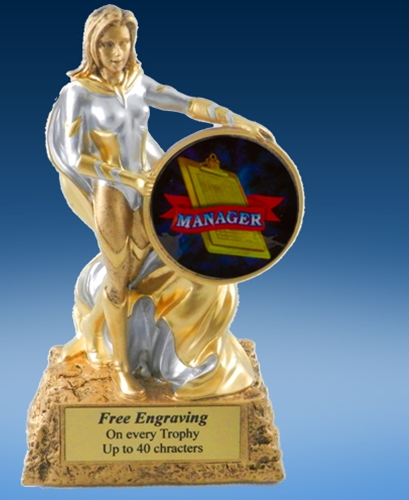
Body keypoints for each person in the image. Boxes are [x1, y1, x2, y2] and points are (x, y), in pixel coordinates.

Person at [46, 5, 271, 400]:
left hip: (154, 187)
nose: (116, 52)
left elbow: (185, 103)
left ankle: (111, 332)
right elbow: (73, 156)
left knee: (164, 261)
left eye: (123, 43)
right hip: (114, 192)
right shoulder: (78, 93)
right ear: (93, 47)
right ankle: (122, 369)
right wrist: (129, 178)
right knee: (120, 279)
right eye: (107, 44)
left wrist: (235, 120)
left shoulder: (137, 81)